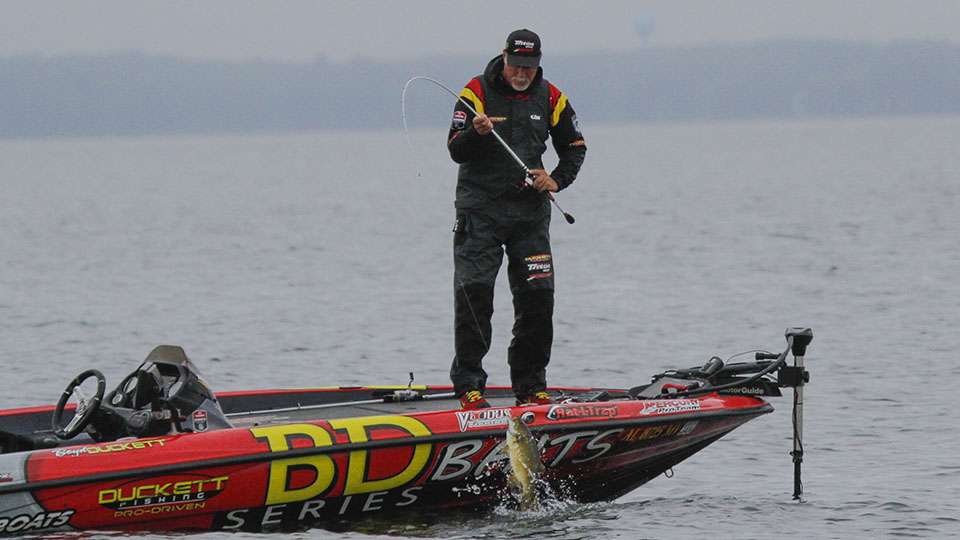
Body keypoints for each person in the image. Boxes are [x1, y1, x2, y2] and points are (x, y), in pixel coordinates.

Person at [446, 29, 586, 410]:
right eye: (516, 66)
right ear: (503, 58)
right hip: (480, 213)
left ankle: (531, 387)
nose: (522, 73)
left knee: (537, 299)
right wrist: (475, 134)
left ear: (538, 63)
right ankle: (470, 388)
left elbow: (575, 147)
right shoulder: (475, 92)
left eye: (530, 67)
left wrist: (556, 179)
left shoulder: (553, 97)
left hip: (529, 216)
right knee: (475, 296)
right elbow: (455, 150)